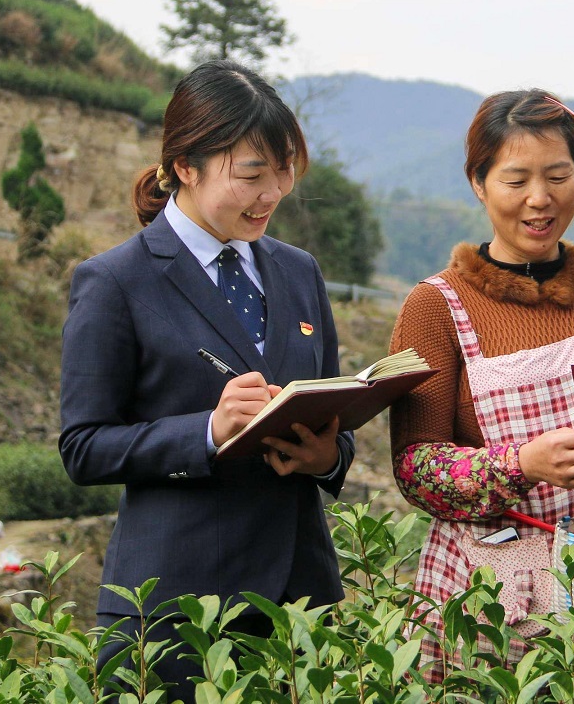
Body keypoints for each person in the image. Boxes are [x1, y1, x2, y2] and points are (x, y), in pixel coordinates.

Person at [59, 59, 354, 701]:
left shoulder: (299, 271)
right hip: (174, 613)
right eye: (251, 174)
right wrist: (207, 432)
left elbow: (331, 415)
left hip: (300, 600)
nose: (272, 192)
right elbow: (83, 445)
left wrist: (328, 454)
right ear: (186, 166)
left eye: (284, 172)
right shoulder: (115, 282)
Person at [389, 90, 574, 675]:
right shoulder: (435, 307)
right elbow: (414, 469)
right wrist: (521, 465)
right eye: (516, 180)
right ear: (478, 182)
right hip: (482, 602)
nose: (540, 200)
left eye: (558, 176)